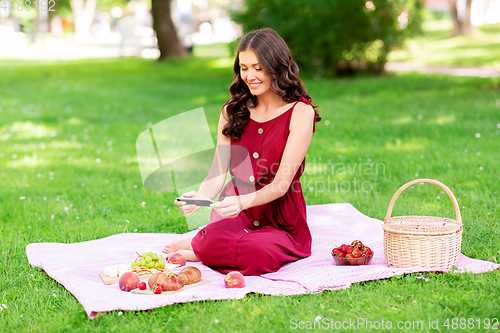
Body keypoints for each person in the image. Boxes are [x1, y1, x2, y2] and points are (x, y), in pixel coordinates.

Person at [163, 27, 321, 276]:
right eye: (244, 68)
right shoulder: (232, 111)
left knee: (258, 253)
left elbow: (281, 184)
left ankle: (199, 247)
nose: (250, 76)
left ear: (277, 67)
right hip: (237, 207)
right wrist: (199, 197)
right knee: (218, 238)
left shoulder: (300, 113)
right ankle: (204, 243)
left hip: (280, 219)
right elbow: (218, 172)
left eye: (258, 68)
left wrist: (242, 202)